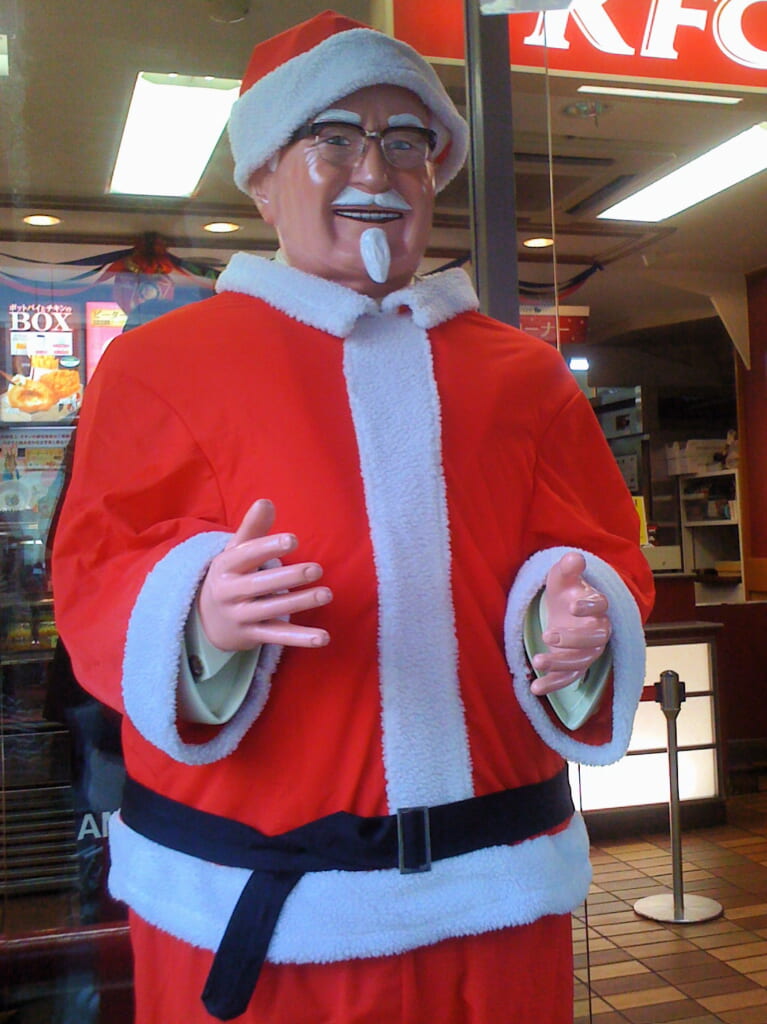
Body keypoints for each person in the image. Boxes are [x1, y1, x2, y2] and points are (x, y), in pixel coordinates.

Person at [52, 10, 654, 1024]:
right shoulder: (157, 369)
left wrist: (572, 619)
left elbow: (595, 549)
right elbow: (99, 575)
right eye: (333, 137)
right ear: (262, 177)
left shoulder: (526, 377)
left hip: (496, 907)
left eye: (406, 141)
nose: (374, 168)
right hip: (260, 924)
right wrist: (197, 621)